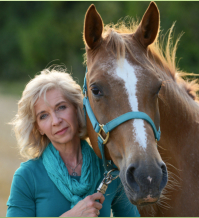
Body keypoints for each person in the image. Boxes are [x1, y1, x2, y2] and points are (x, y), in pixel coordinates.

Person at [6, 67, 140, 217]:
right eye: (43, 116)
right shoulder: (27, 177)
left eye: (61, 107)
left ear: (77, 109)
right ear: (38, 127)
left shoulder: (110, 170)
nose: (56, 121)